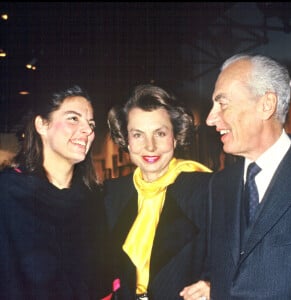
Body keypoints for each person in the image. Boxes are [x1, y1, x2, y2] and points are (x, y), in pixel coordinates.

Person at [182, 53, 291, 299]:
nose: (210, 118)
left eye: (222, 103)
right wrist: (212, 286)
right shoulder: (221, 184)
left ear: (266, 105)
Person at [0, 85, 111, 299]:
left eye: (91, 123)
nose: (87, 130)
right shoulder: (7, 194)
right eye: (73, 118)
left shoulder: (95, 202)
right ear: (42, 124)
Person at [104, 84, 212, 300]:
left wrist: (213, 285)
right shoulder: (111, 194)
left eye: (160, 133)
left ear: (175, 136)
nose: (150, 146)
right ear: (126, 140)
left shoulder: (207, 189)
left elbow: (235, 257)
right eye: (138, 135)